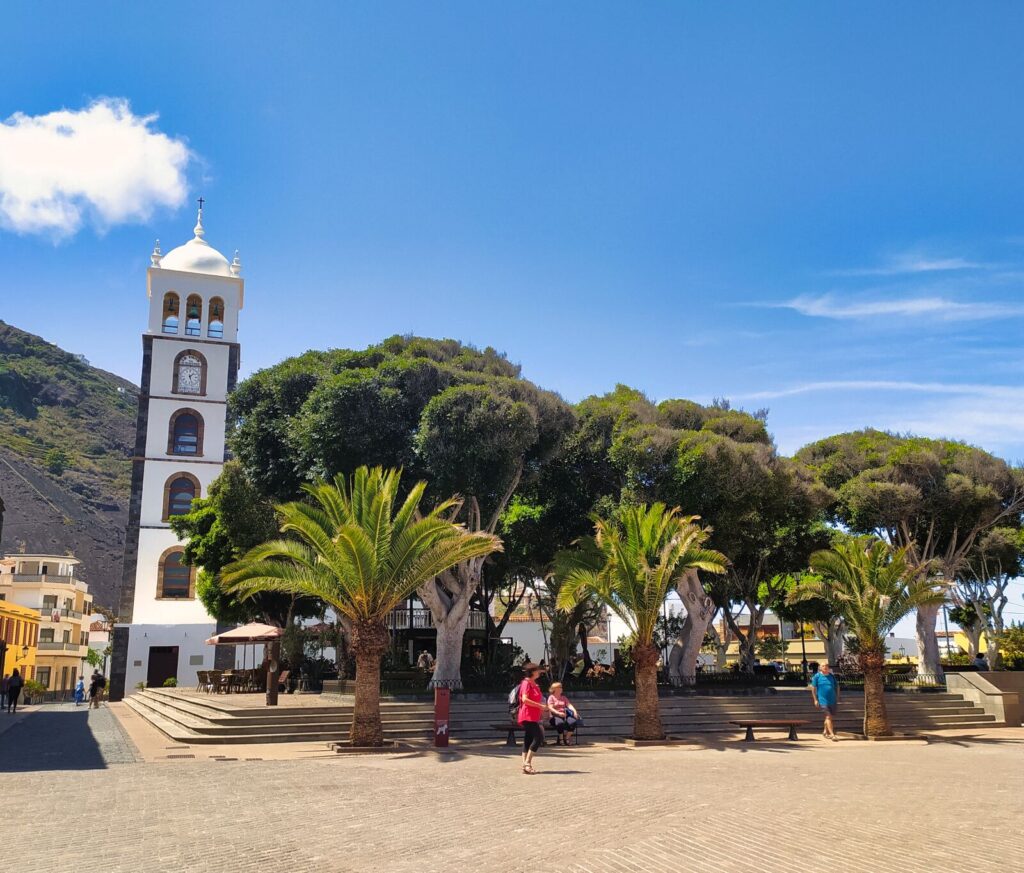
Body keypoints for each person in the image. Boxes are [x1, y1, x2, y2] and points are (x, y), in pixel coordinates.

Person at [517, 662, 549, 774]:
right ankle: (527, 763)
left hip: (533, 715)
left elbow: (537, 699)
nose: (539, 672)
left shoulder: (534, 684)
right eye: (537, 670)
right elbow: (525, 699)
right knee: (538, 737)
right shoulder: (526, 683)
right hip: (527, 715)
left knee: (528, 739)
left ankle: (525, 764)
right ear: (532, 672)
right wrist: (540, 706)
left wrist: (542, 708)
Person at [809, 662, 839, 741]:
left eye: (826, 666)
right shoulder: (817, 676)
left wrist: (837, 696)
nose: (825, 667)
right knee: (828, 716)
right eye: (823, 666)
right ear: (820, 668)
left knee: (828, 717)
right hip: (822, 701)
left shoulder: (832, 676)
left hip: (832, 700)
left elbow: (837, 687)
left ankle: (825, 731)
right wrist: (815, 699)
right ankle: (832, 735)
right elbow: (813, 688)